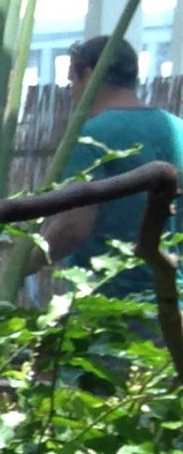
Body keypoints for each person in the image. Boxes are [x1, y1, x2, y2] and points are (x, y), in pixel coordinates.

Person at [43, 34, 183, 298]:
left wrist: (26, 263)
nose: (71, 93)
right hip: (174, 306)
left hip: (111, 309)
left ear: (88, 73)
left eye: (72, 81)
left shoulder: (90, 136)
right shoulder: (178, 129)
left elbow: (73, 227)